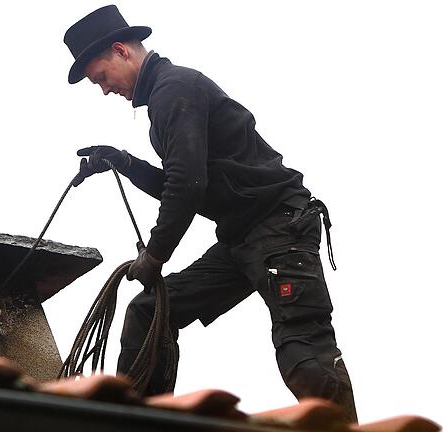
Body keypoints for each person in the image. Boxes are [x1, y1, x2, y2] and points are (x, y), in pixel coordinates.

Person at [63, 5, 358, 422]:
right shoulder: (164, 102)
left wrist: (155, 255)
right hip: (240, 240)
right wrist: (123, 162)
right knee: (149, 312)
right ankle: (138, 422)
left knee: (303, 350)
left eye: (101, 78)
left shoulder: (174, 89)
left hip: (279, 227)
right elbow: (183, 183)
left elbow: (187, 186)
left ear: (121, 51)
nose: (105, 91)